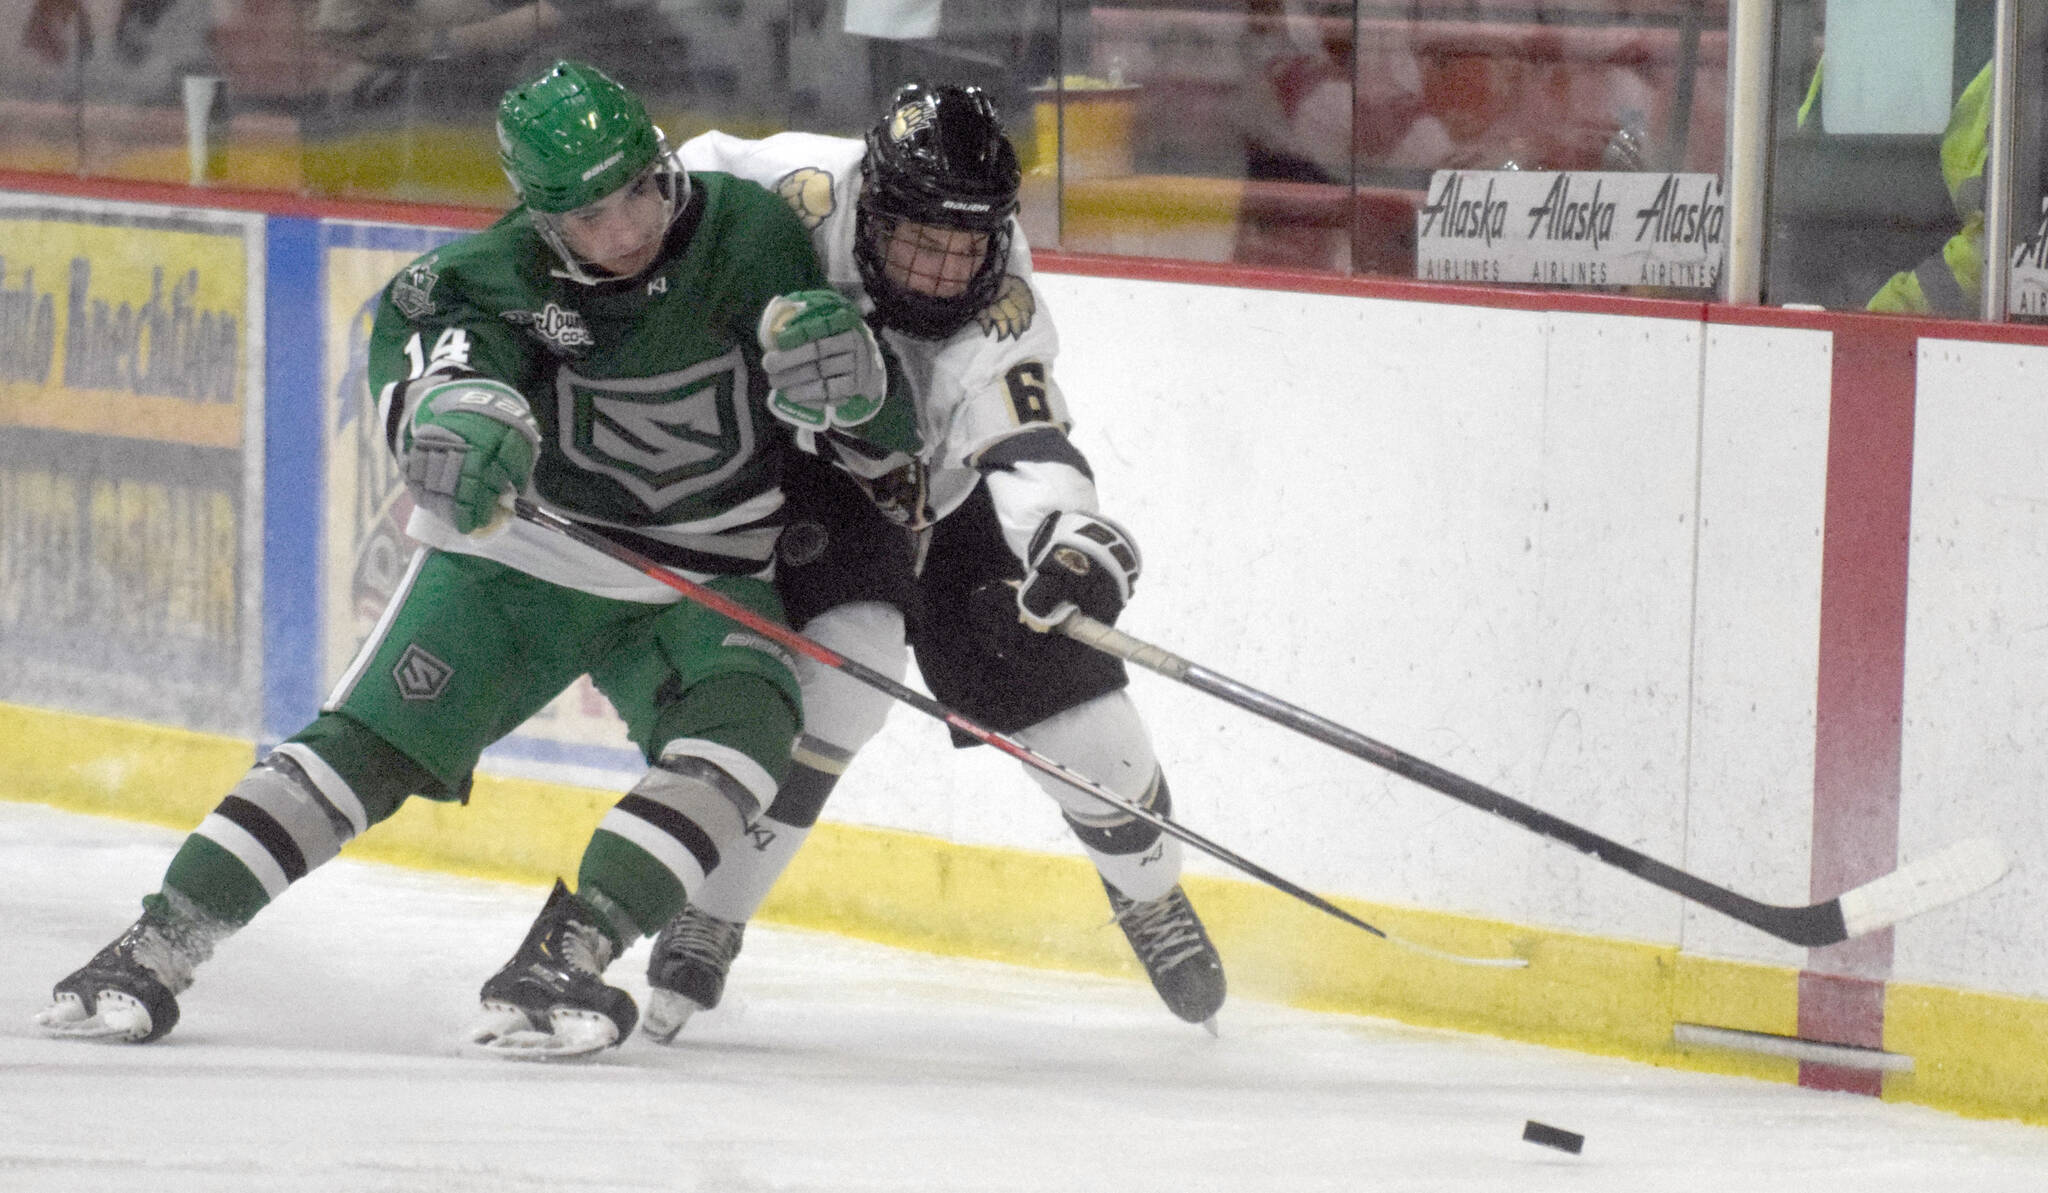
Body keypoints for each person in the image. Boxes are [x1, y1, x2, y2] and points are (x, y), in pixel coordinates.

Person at [34, 59, 900, 1058]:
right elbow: (432, 369)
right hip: (523, 562)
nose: (623, 229)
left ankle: (566, 952)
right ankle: (157, 940)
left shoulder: (751, 231)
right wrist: (449, 419)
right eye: (587, 216)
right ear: (534, 216)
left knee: (744, 741)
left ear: (663, 166)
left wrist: (854, 379)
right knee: (364, 749)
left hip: (703, 576)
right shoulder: (488, 277)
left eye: (636, 192)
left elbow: (867, 418)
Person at [642, 82, 1227, 1041]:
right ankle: (714, 910)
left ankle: (1150, 894)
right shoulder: (793, 187)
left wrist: (1066, 544)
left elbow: (1026, 444)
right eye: (922, 240)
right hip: (818, 474)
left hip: (950, 492)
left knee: (1096, 739)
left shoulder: (1002, 298)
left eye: (968, 245)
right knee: (845, 673)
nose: (945, 270)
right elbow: (651, 182)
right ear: (872, 203)